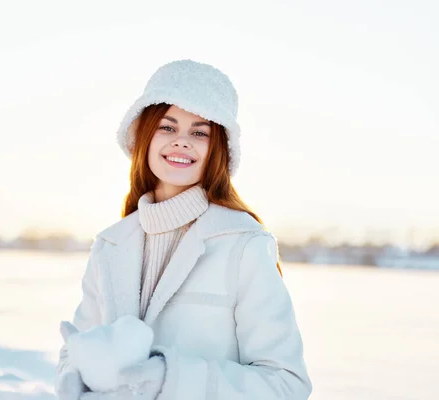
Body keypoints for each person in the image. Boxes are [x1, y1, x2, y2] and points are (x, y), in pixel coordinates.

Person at [54, 59, 312, 399]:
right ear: (143, 136)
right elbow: (75, 355)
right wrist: (75, 378)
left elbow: (286, 384)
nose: (182, 142)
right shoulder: (110, 245)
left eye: (199, 132)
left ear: (218, 148)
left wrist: (166, 379)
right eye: (167, 127)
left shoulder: (243, 244)